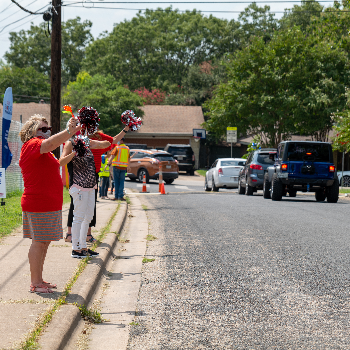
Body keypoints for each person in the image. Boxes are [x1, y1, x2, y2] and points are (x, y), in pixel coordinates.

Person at [19, 114, 81, 294]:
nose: (46, 132)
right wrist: (69, 131)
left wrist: (75, 152)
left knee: (44, 242)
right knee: (39, 242)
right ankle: (35, 283)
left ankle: (39, 280)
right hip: (39, 203)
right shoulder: (32, 144)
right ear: (31, 131)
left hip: (47, 204)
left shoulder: (43, 152)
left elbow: (59, 162)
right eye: (42, 129)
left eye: (48, 129)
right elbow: (51, 144)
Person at [65, 126, 129, 242]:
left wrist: (126, 129)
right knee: (75, 203)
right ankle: (70, 234)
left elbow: (112, 140)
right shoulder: (77, 133)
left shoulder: (99, 136)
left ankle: (87, 234)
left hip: (93, 173)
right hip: (78, 172)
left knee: (90, 205)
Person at [59, 135, 111, 258]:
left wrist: (93, 142)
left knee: (88, 217)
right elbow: (61, 162)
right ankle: (75, 249)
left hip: (90, 187)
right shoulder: (70, 143)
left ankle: (83, 246)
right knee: (79, 217)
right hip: (78, 187)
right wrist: (74, 152)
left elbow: (107, 144)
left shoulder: (87, 143)